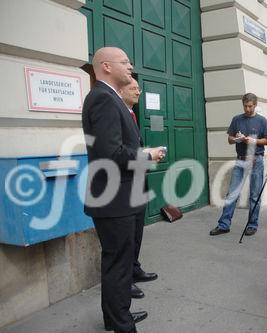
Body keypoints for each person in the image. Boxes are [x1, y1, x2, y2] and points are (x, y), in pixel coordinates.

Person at [82, 47, 165, 333]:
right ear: (105, 66)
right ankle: (121, 324)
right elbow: (111, 154)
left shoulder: (108, 98)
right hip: (114, 199)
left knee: (116, 263)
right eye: (125, 62)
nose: (130, 67)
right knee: (118, 265)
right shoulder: (103, 99)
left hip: (117, 198)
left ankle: (116, 318)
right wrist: (148, 155)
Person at [209, 93, 267, 236]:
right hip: (240, 159)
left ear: (255, 105)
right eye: (245, 106)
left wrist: (254, 141)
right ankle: (224, 225)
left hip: (257, 160)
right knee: (232, 193)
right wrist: (237, 139)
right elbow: (229, 139)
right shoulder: (236, 119)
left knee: (254, 195)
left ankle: (252, 224)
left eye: (250, 106)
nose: (248, 109)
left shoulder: (262, 121)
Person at [119, 79, 159, 300]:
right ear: (121, 90)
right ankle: (126, 280)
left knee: (137, 231)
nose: (138, 91)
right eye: (133, 88)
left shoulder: (132, 114)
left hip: (137, 181)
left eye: (139, 88)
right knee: (126, 237)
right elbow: (117, 151)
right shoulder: (115, 111)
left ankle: (134, 268)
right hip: (124, 185)